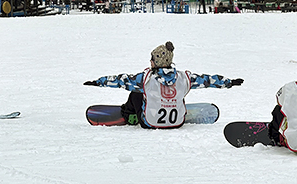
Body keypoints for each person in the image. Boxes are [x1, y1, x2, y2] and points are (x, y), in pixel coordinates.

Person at [83, 41, 244, 128]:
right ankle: (175, 109)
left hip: (149, 122)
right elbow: (208, 80)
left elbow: (120, 80)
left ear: (156, 61)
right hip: (177, 123)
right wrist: (229, 82)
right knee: (181, 92)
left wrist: (98, 82)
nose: (150, 62)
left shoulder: (145, 78)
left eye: (152, 59)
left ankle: (128, 114)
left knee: (136, 93)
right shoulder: (184, 77)